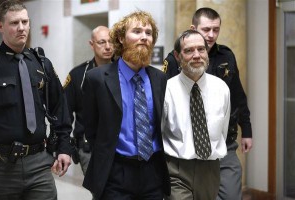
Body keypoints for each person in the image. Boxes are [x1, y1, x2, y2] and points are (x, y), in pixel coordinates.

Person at [162, 7, 253, 200]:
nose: (211, 35)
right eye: (206, 29)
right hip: (182, 154)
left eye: (216, 30)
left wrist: (246, 128)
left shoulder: (225, 60)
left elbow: (236, 97)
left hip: (220, 145)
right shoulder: (172, 65)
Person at [82, 10, 170, 200]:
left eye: (148, 33)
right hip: (116, 172)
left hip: (152, 171)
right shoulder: (97, 79)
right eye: (137, 31)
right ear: (121, 38)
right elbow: (91, 128)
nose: (144, 37)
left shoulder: (160, 78)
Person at [0, 1, 72, 200]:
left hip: (39, 163)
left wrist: (64, 148)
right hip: (1, 166)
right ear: (1, 26)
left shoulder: (41, 63)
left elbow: (59, 107)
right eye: (14, 23)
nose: (21, 28)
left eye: (25, 21)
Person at [162, 29, 230, 200]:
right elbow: (159, 132)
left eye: (201, 49)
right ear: (177, 56)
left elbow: (224, 131)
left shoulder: (221, 89)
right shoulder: (165, 89)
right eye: (189, 50)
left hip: (210, 170)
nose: (197, 55)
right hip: (176, 169)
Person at [63, 25, 114, 176]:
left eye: (111, 42)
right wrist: (64, 146)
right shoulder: (78, 75)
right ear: (91, 44)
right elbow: (64, 113)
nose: (108, 47)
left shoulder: (123, 71)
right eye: (102, 42)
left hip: (119, 147)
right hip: (89, 148)